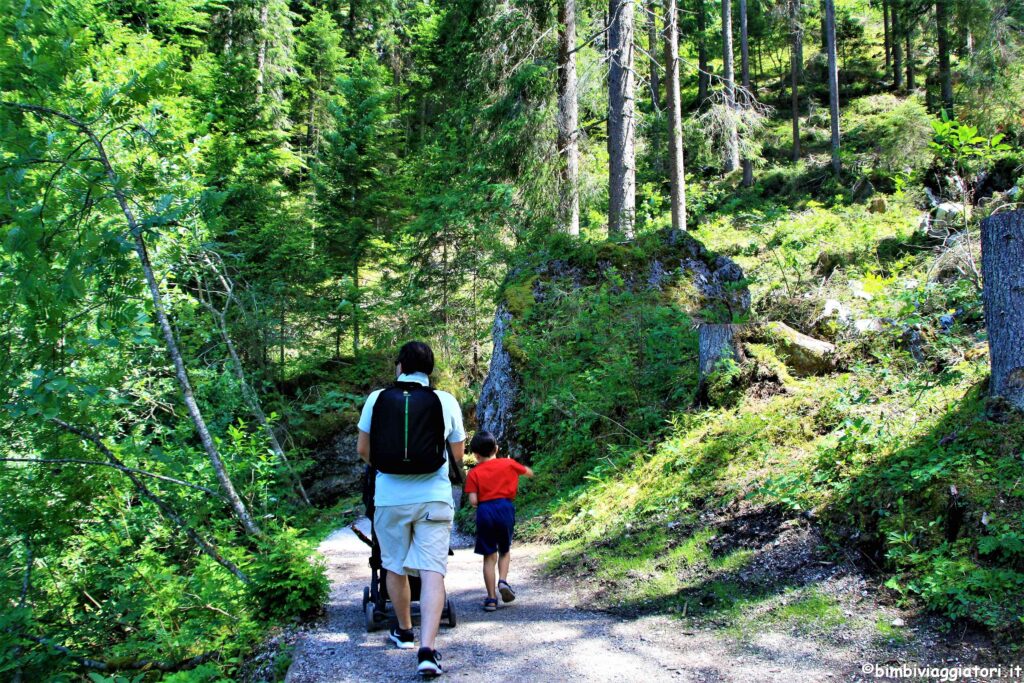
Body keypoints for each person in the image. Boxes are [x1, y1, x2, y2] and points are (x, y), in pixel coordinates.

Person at [357, 341, 465, 677]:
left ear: (401, 365)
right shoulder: (445, 401)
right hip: (434, 497)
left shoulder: (377, 399)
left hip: (390, 498)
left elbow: (364, 450)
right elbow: (458, 455)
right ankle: (428, 649)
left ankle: (403, 630)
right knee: (433, 571)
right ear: (429, 369)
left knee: (394, 566)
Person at [463, 430, 533, 612]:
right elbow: (528, 472)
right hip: (505, 508)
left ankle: (491, 599)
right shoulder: (508, 463)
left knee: (489, 556)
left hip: (485, 510)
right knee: (505, 549)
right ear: (496, 448)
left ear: (476, 455)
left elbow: (473, 501)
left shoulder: (474, 473)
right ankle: (503, 581)